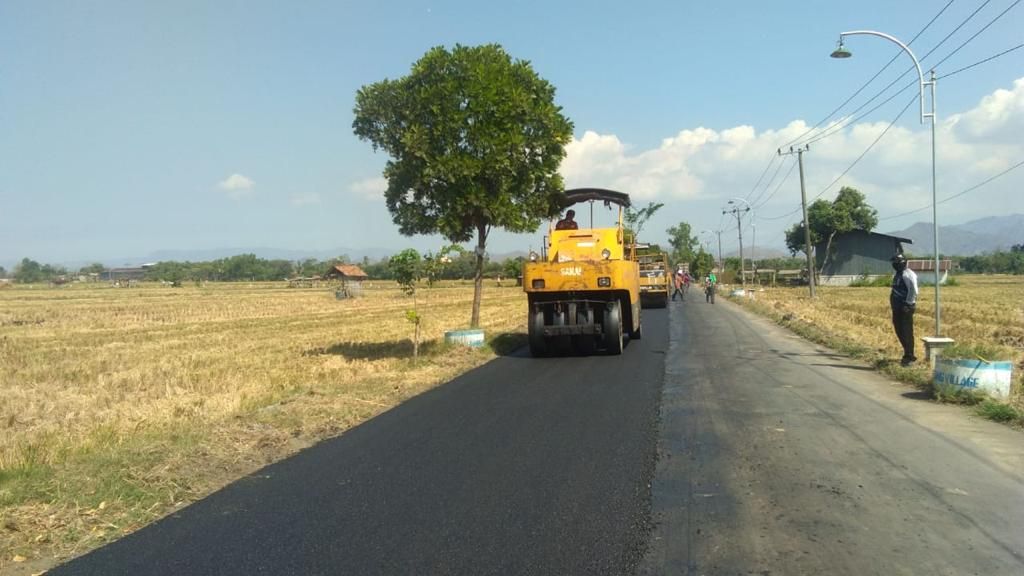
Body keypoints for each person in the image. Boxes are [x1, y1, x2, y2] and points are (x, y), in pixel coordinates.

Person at [890, 253, 919, 366]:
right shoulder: (898, 274)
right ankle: (906, 353)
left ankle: (910, 357)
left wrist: (908, 304)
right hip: (897, 307)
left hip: (905, 307)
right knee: (899, 331)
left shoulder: (908, 274)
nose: (894, 264)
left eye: (896, 262)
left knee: (906, 332)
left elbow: (913, 290)